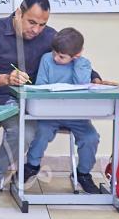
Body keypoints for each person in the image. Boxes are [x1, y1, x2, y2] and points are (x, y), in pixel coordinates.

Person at [0, 0, 109, 196]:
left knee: (25, 133)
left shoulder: (49, 36)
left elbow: (72, 56)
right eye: (31, 22)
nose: (36, 30)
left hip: (19, 103)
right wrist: (7, 78)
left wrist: (95, 78)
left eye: (42, 25)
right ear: (19, 13)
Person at [23, 28, 101, 194]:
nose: (55, 58)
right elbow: (40, 85)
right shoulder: (47, 59)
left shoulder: (83, 64)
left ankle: (83, 173)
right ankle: (32, 166)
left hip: (76, 115)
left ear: (76, 55)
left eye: (62, 56)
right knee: (41, 133)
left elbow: (82, 86)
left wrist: (78, 64)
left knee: (91, 137)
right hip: (49, 114)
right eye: (54, 53)